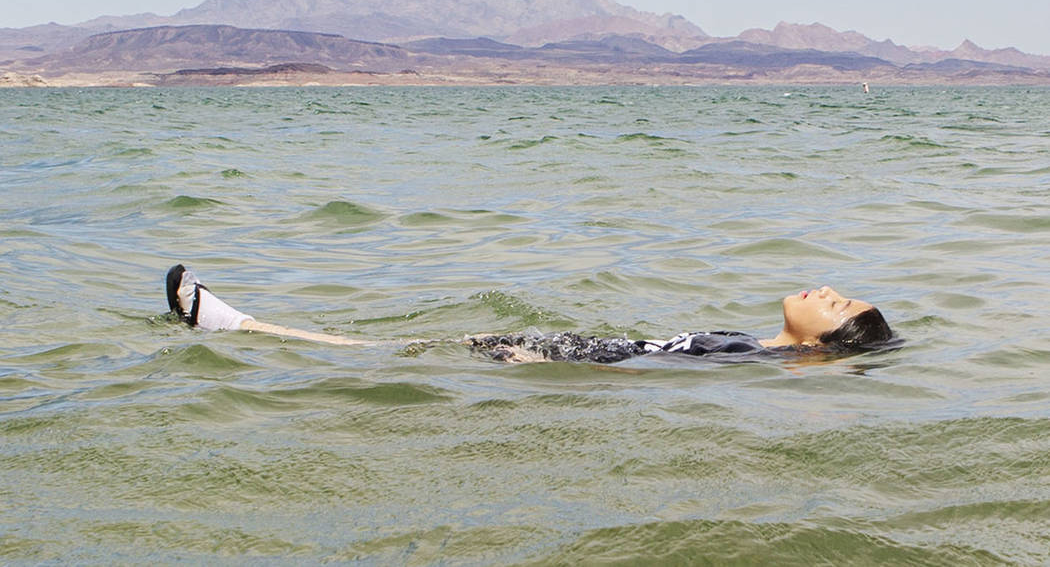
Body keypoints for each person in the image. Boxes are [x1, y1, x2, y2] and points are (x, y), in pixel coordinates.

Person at [165, 265, 895, 363]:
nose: (824, 291)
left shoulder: (756, 362)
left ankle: (240, 329)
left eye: (836, 307)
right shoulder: (749, 343)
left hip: (581, 357)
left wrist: (545, 361)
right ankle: (242, 327)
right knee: (423, 344)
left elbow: (654, 376)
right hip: (587, 346)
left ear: (824, 347)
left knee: (406, 349)